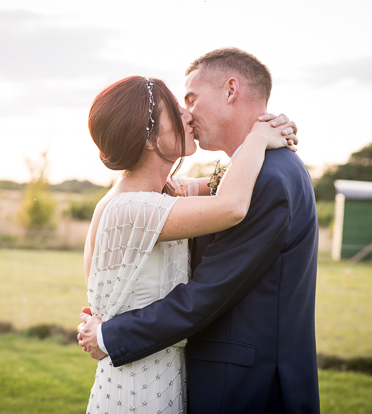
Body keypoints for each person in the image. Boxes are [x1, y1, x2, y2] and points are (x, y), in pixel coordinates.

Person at [78, 48, 320, 414]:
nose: (187, 114)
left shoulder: (266, 178)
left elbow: (207, 288)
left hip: (243, 387)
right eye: (177, 108)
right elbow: (228, 203)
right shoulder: (135, 206)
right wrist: (257, 138)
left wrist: (109, 335)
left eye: (190, 99)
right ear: (147, 137)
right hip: (142, 386)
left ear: (230, 90)